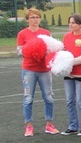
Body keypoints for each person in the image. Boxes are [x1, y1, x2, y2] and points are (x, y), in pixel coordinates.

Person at [17, 8, 59, 136]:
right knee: (28, 98)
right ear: (27, 20)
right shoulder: (22, 34)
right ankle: (29, 126)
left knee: (49, 97)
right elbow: (19, 51)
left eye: (37, 17)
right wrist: (29, 49)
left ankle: (49, 124)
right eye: (32, 17)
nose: (35, 20)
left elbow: (53, 48)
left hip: (44, 70)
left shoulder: (46, 32)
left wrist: (45, 52)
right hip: (29, 69)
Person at [61, 13, 81, 136]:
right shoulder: (66, 36)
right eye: (70, 22)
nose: (71, 24)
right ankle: (73, 126)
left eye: (73, 22)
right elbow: (63, 52)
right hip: (68, 74)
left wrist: (69, 62)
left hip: (80, 74)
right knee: (70, 100)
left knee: (80, 100)